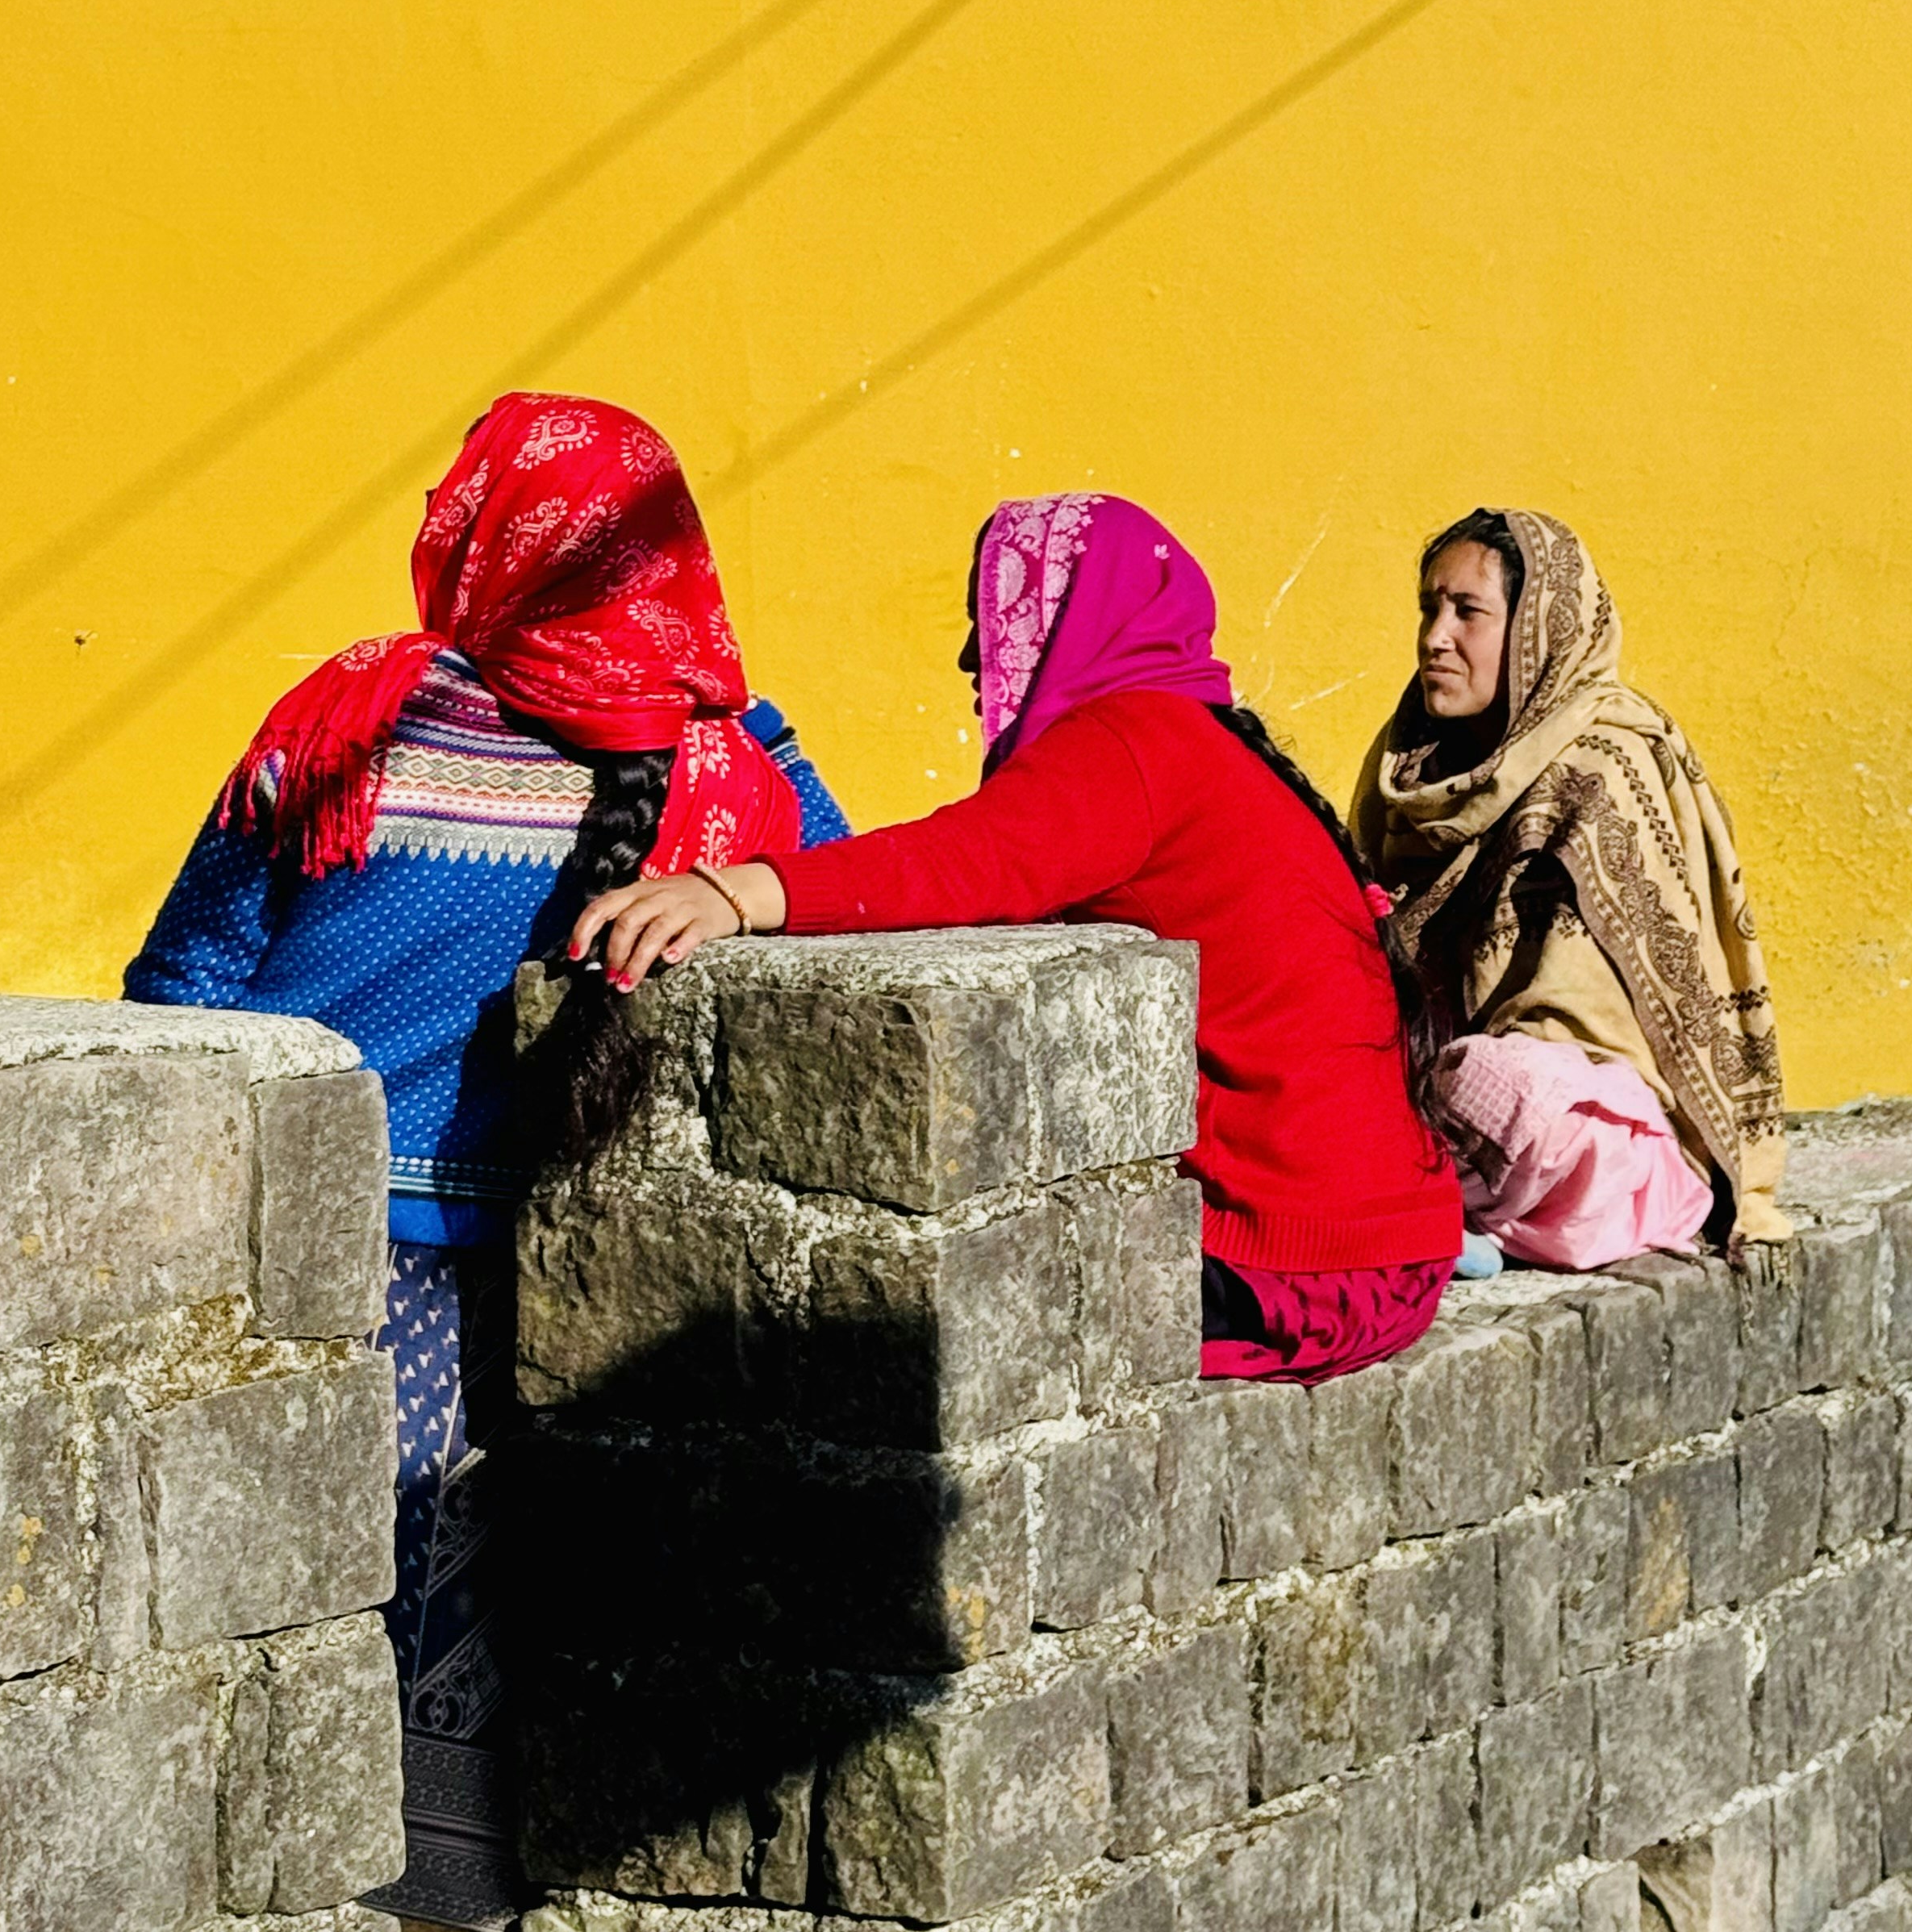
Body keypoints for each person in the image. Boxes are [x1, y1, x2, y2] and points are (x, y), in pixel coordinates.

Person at [126, 390, 848, 1932]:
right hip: (579, 1288)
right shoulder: (739, 775)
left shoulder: (354, 716)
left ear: (484, 538)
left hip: (312, 1266)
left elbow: (184, 984)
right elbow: (850, 916)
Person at [571, 491, 1461, 1381]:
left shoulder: (1134, 740)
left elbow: (959, 863)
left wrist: (732, 894)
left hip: (1302, 1269)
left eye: (991, 614)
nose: (974, 655)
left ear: (1074, 616)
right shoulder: (1198, 741)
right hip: (1380, 1251)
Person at [1350, 507, 1791, 1271]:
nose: (1435, 638)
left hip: (1587, 1105)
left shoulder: (1604, 762)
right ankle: (1445, 1205)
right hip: (1440, 1073)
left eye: (1467, 612)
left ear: (1536, 630)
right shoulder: (1412, 764)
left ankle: (1451, 1206)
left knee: (1499, 1088)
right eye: (1428, 609)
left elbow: (1601, 1019)